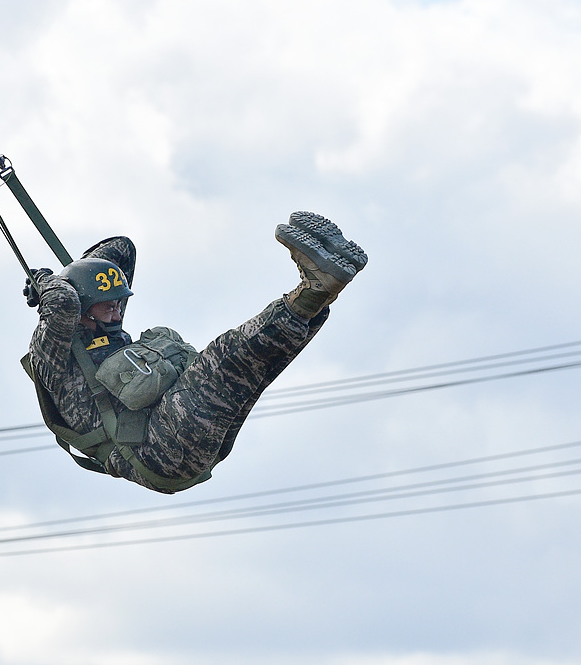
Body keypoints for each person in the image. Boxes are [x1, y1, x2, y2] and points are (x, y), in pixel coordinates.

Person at [22, 211, 367, 493]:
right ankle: (317, 286)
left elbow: (120, 249)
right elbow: (64, 301)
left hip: (176, 435)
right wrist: (51, 284)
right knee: (223, 357)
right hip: (153, 451)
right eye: (107, 308)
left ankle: (319, 293)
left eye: (118, 305)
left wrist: (79, 275)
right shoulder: (54, 356)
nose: (116, 315)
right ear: (82, 311)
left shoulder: (102, 323)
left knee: (257, 366)